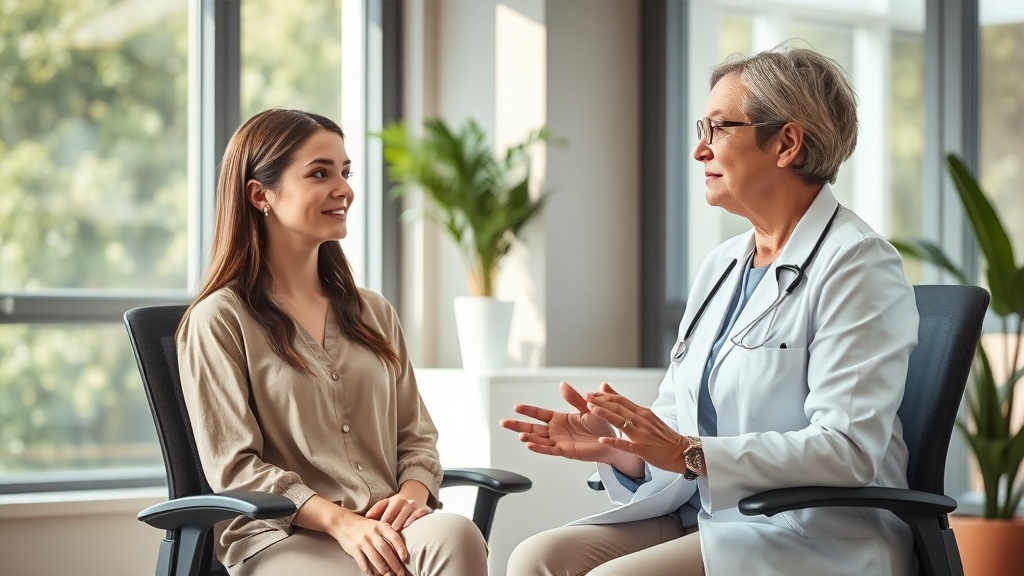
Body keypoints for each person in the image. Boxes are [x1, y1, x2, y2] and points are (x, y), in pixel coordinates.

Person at [502, 46, 919, 576]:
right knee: (536, 559)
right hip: (712, 516)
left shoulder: (858, 265)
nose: (700, 150)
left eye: (719, 128)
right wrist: (620, 448)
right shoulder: (723, 264)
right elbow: (679, 419)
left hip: (811, 533)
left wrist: (691, 454)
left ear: (786, 143)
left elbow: (846, 449)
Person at [177, 108, 487, 576]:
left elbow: (416, 436)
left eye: (345, 171)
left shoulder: (374, 312)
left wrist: (411, 495)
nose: (343, 189)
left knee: (457, 534)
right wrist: (341, 522)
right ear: (260, 195)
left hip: (385, 524)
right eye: (320, 173)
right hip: (281, 537)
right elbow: (236, 468)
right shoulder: (219, 320)